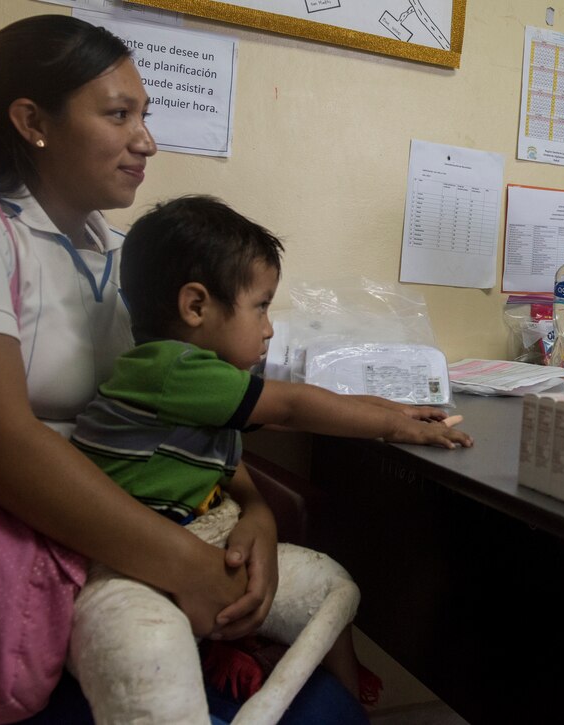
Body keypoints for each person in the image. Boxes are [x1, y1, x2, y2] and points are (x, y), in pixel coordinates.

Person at [0, 14, 367, 724]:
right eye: (118, 114)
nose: (146, 141)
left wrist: (249, 508)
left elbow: (179, 402)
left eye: (145, 115)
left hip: (142, 536)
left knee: (329, 712)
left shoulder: (123, 252)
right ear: (32, 120)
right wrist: (185, 565)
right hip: (24, 554)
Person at [68, 195, 471, 721]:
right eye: (261, 306)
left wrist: (402, 410)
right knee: (153, 658)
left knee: (331, 584)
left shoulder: (199, 380)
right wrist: (396, 425)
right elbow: (295, 406)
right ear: (196, 307)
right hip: (130, 562)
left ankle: (346, 711)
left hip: (195, 539)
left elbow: (290, 408)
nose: (269, 327)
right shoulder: (171, 369)